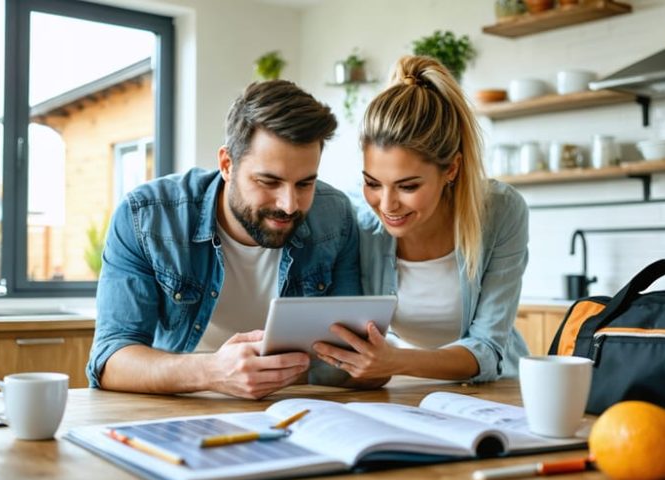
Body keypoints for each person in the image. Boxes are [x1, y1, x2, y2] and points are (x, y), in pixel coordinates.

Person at [87, 80, 361, 399]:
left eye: (304, 184)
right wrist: (212, 371)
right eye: (268, 181)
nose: (289, 204)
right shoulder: (146, 216)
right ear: (227, 165)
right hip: (180, 407)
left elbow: (348, 355)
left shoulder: (335, 215)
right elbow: (109, 359)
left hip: (294, 407)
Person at [313, 55, 530, 385]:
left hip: (490, 392)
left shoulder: (500, 212)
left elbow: (487, 349)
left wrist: (395, 361)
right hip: (403, 390)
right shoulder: (354, 216)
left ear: (451, 170)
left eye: (408, 186)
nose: (386, 205)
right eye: (372, 183)